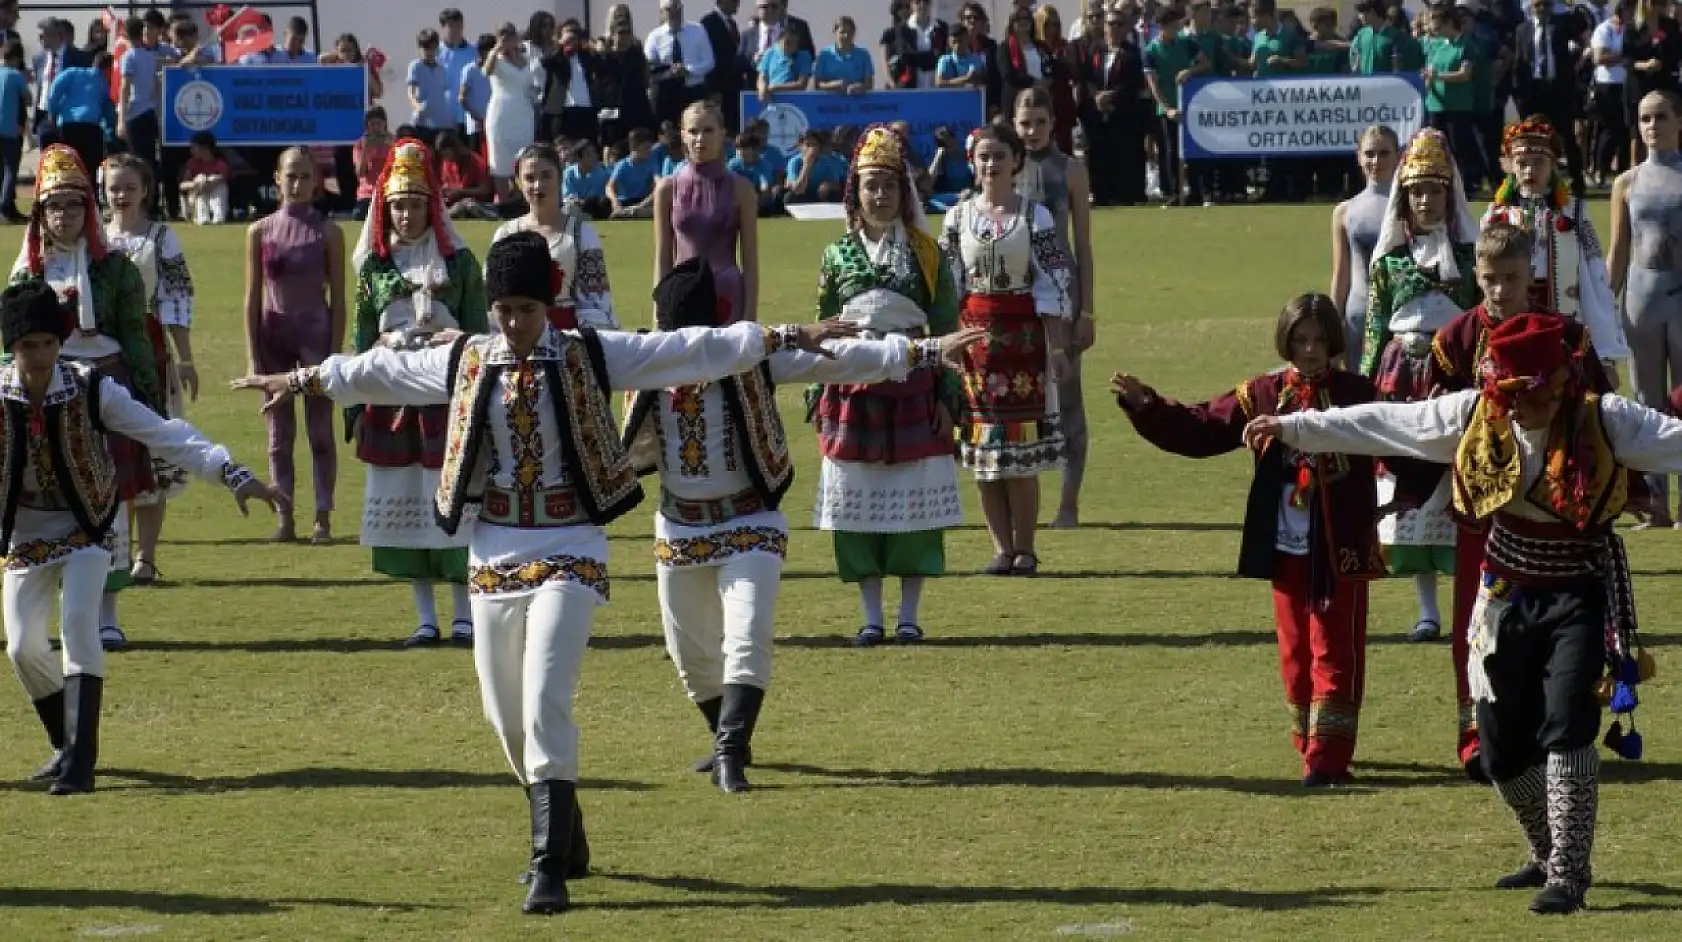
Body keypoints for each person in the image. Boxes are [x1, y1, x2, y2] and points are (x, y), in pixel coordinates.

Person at [231, 231, 856, 915]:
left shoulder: (590, 352)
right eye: (501, 308)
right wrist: (298, 381)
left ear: (548, 306)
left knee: (544, 695)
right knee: (504, 720)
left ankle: (547, 865)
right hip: (493, 551)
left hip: (571, 546)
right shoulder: (468, 358)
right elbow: (378, 373)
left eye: (525, 309)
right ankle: (570, 835)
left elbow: (689, 348)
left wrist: (785, 334)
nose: (511, 323)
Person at [1243, 313, 1669, 915]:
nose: (1518, 410)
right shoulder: (1475, 413)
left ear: (1558, 385)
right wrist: (1292, 426)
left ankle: (1570, 875)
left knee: (1569, 721)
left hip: (1579, 589)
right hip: (1503, 593)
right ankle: (1547, 850)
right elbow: (1384, 422)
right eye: (1511, 396)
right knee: (1496, 750)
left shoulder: (1608, 419)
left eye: (1531, 396)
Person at [626, 256, 980, 788]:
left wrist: (924, 349)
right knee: (691, 654)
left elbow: (842, 359)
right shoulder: (647, 364)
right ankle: (725, 734)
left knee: (747, 635)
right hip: (679, 525)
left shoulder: (752, 358)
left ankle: (731, 749)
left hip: (751, 520)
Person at [3, 282, 280, 796]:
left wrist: (235, 475)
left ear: (59, 342)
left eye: (46, 343)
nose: (39, 356)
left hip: (90, 522)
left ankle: (81, 764)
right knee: (21, 646)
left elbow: (166, 434)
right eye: (27, 346)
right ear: (10, 348)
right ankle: (65, 744)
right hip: (26, 531)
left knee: (80, 620)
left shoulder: (91, 388)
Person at [1116, 294, 1381, 786]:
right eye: (1301, 340)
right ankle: (1308, 740)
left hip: (1340, 541)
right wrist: (1147, 406)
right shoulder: (1261, 393)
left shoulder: (1358, 392)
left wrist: (1408, 491)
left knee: (1334, 643)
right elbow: (1202, 428)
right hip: (1283, 541)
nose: (1310, 351)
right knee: (1295, 647)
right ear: (1287, 340)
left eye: (1320, 341)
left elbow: (1400, 437)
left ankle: (1329, 756)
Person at [1425, 222, 1622, 782]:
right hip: (1482, 506)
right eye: (1488, 280)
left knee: (1551, 623)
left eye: (1509, 279)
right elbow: (1429, 412)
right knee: (1476, 619)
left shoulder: (1567, 335)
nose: (1498, 291)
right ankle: (1477, 734)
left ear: (1530, 274)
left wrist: (1620, 488)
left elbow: (1602, 411)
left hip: (1557, 499)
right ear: (1476, 277)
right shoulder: (1457, 337)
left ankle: (1548, 733)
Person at [810, 124, 964, 646]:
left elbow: (946, 328)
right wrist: (817, 397)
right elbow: (824, 324)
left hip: (914, 384)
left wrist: (948, 397)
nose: (880, 196)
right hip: (852, 390)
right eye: (870, 185)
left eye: (889, 185)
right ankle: (871, 615)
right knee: (856, 504)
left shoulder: (927, 253)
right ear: (855, 190)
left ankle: (910, 615)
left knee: (916, 500)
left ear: (904, 191)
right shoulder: (836, 254)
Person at [9, 145, 161, 653]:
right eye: (54, 207)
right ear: (41, 213)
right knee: (50, 504)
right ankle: (47, 613)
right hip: (45, 397)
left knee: (109, 502)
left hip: (105, 387)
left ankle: (108, 616)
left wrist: (147, 398)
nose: (65, 216)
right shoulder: (27, 274)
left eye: (74, 206)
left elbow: (136, 335)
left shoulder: (116, 269)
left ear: (88, 210)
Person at [348, 139, 486, 647]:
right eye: (397, 205)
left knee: (451, 500)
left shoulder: (462, 263)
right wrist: (356, 409)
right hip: (390, 396)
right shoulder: (375, 267)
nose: (405, 215)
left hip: (446, 393)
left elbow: (480, 332)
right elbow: (362, 337)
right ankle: (424, 617)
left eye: (413, 204)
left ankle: (464, 614)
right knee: (404, 496)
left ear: (432, 204)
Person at [1362, 127, 1479, 645]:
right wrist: (1362, 391)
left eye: (1435, 190)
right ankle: (1427, 610)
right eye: (1417, 192)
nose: (1426, 201)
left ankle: (1470, 606)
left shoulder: (1473, 261)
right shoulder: (1387, 263)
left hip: (1454, 378)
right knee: (1411, 488)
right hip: (1401, 377)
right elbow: (1372, 327)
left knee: (1459, 484)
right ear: (1403, 198)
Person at [943, 122, 1072, 576]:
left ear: (1016, 161)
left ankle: (1027, 548)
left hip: (1023, 344)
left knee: (1018, 456)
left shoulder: (1035, 217)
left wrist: (1056, 346)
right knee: (985, 457)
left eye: (999, 155)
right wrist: (948, 342)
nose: (991, 164)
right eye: (984, 156)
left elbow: (1053, 280)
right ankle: (1001, 548)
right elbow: (948, 285)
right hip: (973, 346)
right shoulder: (957, 217)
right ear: (973, 163)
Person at [101, 154, 198, 590]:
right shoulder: (94, 237)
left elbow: (177, 298)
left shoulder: (160, 237)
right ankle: (113, 551)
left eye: (129, 187)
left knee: (153, 449)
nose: (121, 195)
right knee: (110, 454)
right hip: (101, 358)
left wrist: (186, 357)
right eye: (113, 187)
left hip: (151, 356)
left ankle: (146, 556)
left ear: (146, 190)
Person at [243, 147, 347, 546]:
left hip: (315, 340)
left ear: (316, 181)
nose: (298, 184)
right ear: (277, 179)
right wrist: (254, 356)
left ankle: (323, 518)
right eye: (291, 176)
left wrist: (335, 355)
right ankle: (284, 518)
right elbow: (252, 298)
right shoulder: (259, 231)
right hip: (273, 340)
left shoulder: (329, 232)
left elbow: (339, 298)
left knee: (321, 434)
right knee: (278, 436)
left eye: (306, 176)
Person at [1481, 115, 1631, 367]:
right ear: (1510, 166)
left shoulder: (1575, 212)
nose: (1529, 171)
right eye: (1522, 163)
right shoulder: (1496, 215)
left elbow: (1594, 276)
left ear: (1553, 166)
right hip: (1511, 309)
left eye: (1538, 162)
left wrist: (1602, 338)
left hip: (1561, 310)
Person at [1013, 88, 1094, 528]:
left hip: (1062, 297)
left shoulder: (1071, 171)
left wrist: (1087, 312)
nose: (1032, 132)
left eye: (1040, 123)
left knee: (1068, 402)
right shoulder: (1003, 168)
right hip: (1014, 299)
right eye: (1024, 124)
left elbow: (1083, 245)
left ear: (1052, 123)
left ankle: (1068, 501)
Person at [1608, 90, 1682, 523]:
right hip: (1640, 300)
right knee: (1648, 402)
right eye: (1644, 119)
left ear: (1678, 122)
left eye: (1660, 117)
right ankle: (1656, 506)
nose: (1651, 126)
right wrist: (1603, 305)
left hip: (1679, 298)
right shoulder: (1627, 182)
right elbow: (1618, 251)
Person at [491, 144, 617, 331]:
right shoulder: (506, 233)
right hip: (516, 332)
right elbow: (493, 296)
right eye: (530, 178)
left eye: (546, 176)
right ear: (519, 182)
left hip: (568, 335)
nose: (538, 185)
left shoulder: (581, 233)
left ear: (560, 177)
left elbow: (597, 300)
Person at [655, 101, 758, 325]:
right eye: (693, 131)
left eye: (708, 130)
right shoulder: (666, 189)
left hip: (727, 296)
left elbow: (750, 261)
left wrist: (750, 319)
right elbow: (663, 258)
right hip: (682, 296)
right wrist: (658, 316)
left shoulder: (742, 189)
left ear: (722, 134)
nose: (700, 138)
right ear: (683, 135)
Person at [1330, 125, 1399, 372]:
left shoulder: (1412, 204)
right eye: (1369, 153)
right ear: (1358, 157)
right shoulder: (1344, 211)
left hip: (1401, 317)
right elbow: (1341, 275)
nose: (1376, 160)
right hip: (1358, 316)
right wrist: (1332, 325)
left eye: (1384, 153)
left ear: (1399, 156)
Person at [482, 23, 538, 204]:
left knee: (525, 156)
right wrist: (498, 47)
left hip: (523, 113)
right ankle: (504, 202)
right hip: (501, 114)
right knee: (500, 160)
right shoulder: (495, 59)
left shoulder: (526, 57)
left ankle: (525, 199)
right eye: (504, 36)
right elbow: (486, 71)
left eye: (511, 35)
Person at [646, 0, 716, 128]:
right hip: (667, 94)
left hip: (694, 91)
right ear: (662, 13)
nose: (674, 13)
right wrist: (668, 73)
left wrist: (689, 70)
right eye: (669, 10)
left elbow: (709, 61)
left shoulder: (698, 30)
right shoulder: (654, 37)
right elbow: (649, 67)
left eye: (677, 8)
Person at [179, 131, 230, 225]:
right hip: (195, 198)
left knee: (219, 185)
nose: (191, 150)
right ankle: (202, 217)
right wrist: (196, 183)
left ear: (205, 148)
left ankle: (218, 216)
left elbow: (223, 178)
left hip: (214, 195)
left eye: (194, 147)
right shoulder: (192, 163)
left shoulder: (220, 164)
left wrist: (210, 181)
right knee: (200, 178)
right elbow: (182, 185)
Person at [609, 127, 661, 218]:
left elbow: (659, 185)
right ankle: (626, 212)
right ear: (634, 147)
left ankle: (629, 213)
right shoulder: (622, 164)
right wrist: (615, 202)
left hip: (643, 202)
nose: (650, 151)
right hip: (625, 201)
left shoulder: (651, 163)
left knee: (662, 207)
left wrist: (640, 206)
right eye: (646, 148)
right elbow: (610, 187)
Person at [814, 16, 875, 93]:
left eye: (849, 32)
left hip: (857, 102)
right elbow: (816, 85)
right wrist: (834, 85)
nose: (846, 36)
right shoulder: (824, 55)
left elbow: (869, 84)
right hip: (828, 103)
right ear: (835, 32)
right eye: (842, 32)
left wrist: (860, 87)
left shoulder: (863, 55)